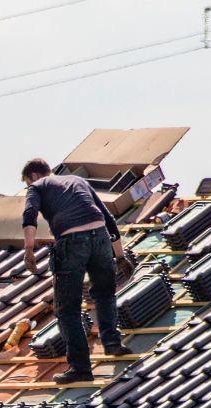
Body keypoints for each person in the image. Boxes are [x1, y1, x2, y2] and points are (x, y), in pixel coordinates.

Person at [20, 158, 134, 383]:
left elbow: (29, 214)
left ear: (33, 176)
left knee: (67, 309)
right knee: (104, 292)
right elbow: (109, 219)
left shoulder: (36, 187)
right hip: (100, 238)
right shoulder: (77, 180)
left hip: (72, 242)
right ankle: (112, 343)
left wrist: (29, 249)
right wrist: (120, 256)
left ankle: (80, 368)